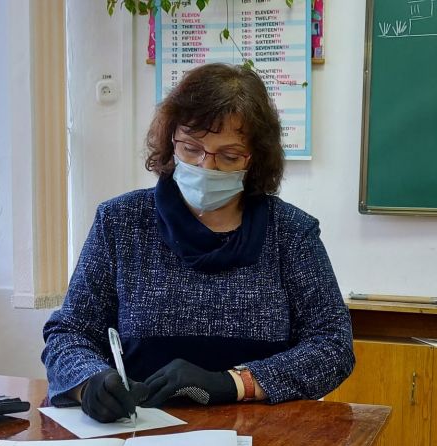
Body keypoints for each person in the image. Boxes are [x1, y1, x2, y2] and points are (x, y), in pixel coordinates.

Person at [42, 63, 354, 423]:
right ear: (170, 141)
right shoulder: (121, 221)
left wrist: (234, 383)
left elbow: (333, 346)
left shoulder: (291, 232)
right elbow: (70, 332)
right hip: (136, 429)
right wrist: (89, 383)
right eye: (191, 148)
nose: (207, 167)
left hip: (259, 434)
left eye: (229, 156)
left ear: (255, 159)